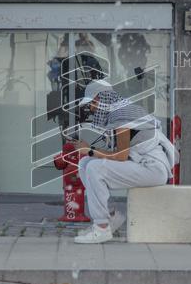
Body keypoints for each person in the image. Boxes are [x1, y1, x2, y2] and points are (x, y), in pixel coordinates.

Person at [72, 79, 176, 244]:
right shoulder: (121, 110)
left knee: (94, 167)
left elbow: (120, 156)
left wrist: (90, 150)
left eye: (92, 103)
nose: (91, 109)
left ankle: (102, 227)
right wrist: (90, 153)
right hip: (143, 165)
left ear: (101, 98)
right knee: (85, 163)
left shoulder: (122, 115)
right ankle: (111, 218)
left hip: (153, 169)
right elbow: (121, 153)